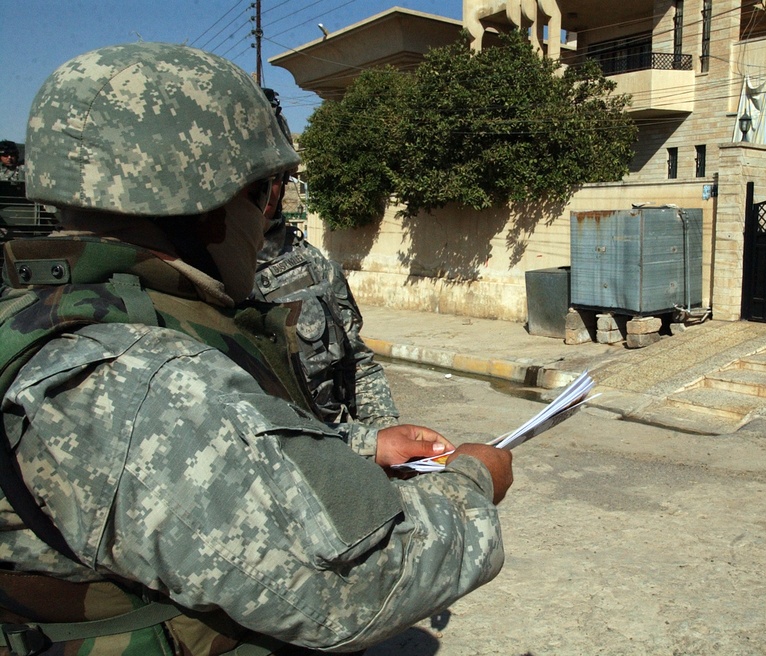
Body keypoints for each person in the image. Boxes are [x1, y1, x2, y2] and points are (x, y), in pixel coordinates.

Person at [0, 42, 512, 655]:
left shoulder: (48, 312)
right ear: (209, 203)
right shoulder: (148, 379)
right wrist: (474, 480)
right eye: (266, 190)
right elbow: (355, 588)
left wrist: (364, 440)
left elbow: (224, 452)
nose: (270, 214)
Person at [253, 89, 399, 429]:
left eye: (279, 179)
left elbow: (357, 365)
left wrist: (387, 432)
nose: (270, 192)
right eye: (262, 180)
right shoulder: (181, 276)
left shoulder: (310, 265)